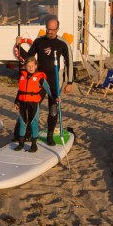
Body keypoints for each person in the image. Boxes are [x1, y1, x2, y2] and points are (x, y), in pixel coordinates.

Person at [16, 16, 73, 144]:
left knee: (53, 109)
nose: (49, 31)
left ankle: (50, 136)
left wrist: (69, 82)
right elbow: (28, 58)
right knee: (32, 106)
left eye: (52, 29)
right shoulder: (39, 41)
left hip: (54, 81)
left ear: (57, 29)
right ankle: (28, 133)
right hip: (39, 80)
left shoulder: (63, 43)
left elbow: (69, 63)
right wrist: (19, 45)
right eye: (48, 29)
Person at [13, 56, 47, 152]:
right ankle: (21, 144)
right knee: (22, 123)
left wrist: (55, 97)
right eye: (28, 66)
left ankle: (34, 145)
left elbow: (47, 89)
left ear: (36, 66)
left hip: (34, 103)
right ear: (25, 67)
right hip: (22, 103)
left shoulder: (40, 77)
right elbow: (20, 90)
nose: (30, 68)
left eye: (32, 66)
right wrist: (16, 102)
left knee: (33, 123)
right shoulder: (22, 76)